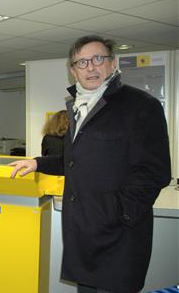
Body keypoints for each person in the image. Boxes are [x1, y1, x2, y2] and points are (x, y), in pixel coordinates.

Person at [9, 35, 171, 293]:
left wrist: (117, 213)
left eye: (98, 59)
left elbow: (155, 171)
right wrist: (38, 163)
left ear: (112, 63)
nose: (91, 67)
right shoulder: (78, 107)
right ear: (73, 71)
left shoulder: (141, 106)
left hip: (119, 237)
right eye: (81, 63)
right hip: (83, 236)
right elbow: (76, 161)